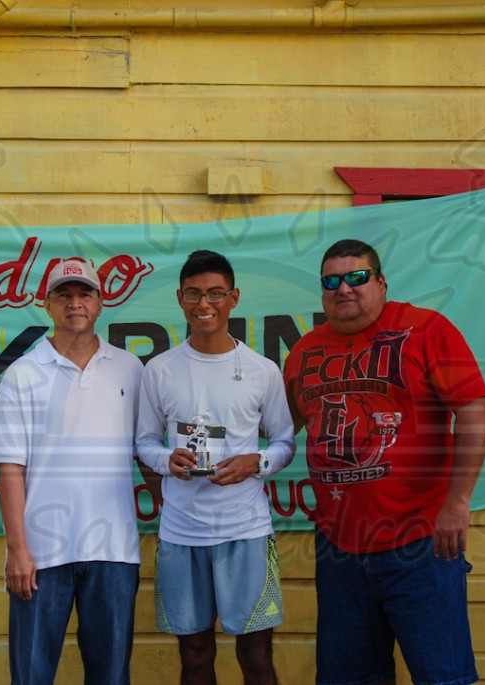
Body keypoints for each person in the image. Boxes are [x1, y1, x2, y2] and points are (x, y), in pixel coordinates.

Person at [283, 239, 485, 685]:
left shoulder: (426, 329)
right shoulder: (304, 350)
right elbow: (282, 428)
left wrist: (457, 502)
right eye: (331, 281)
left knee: (442, 677)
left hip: (420, 540)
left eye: (356, 277)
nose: (344, 289)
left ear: (381, 282)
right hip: (338, 547)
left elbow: (473, 409)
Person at [136, 250, 296, 685]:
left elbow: (284, 443)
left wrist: (255, 462)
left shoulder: (263, 370)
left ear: (233, 298)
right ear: (180, 299)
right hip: (181, 532)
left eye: (215, 293)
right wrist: (167, 460)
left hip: (245, 530)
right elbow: (144, 442)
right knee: (194, 655)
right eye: (193, 294)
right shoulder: (159, 370)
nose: (204, 304)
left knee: (256, 656)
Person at [0, 257, 144, 685]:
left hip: (114, 551)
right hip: (41, 555)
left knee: (111, 677)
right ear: (47, 304)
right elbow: (10, 469)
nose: (75, 303)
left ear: (100, 302)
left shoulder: (130, 368)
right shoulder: (21, 375)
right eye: (64, 294)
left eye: (84, 294)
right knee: (31, 676)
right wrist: (18, 551)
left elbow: (146, 452)